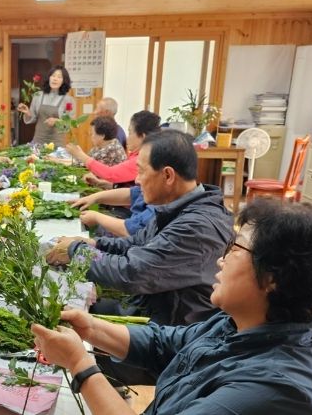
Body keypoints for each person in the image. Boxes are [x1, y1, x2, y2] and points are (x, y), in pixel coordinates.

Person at [33, 199, 312, 414]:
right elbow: (165, 344)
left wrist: (80, 365)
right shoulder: (241, 323)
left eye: (235, 249)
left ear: (272, 277)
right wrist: (90, 328)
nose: (221, 260)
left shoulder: (275, 390)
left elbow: (133, 271)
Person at [48, 130, 234, 327]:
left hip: (169, 331)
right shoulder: (177, 207)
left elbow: (132, 272)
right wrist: (93, 244)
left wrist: (75, 251)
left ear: (168, 175)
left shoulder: (196, 227)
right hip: (150, 308)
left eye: (141, 171)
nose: (137, 180)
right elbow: (136, 243)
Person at [66, 110, 160, 187]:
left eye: (130, 132)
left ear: (142, 137)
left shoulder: (143, 159)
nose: (127, 138)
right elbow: (130, 188)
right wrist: (102, 183)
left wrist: (80, 155)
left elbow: (110, 174)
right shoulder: (138, 154)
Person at [17, 65, 76, 146]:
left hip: (57, 144)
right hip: (38, 142)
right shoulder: (38, 95)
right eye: (53, 76)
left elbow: (70, 124)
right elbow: (32, 118)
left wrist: (57, 121)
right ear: (49, 78)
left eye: (59, 77)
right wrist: (27, 113)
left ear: (64, 81)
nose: (55, 79)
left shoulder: (68, 100)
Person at [71, 186, 154, 238]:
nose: (136, 180)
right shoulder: (150, 190)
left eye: (142, 171)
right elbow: (132, 194)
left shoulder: (157, 210)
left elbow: (130, 230)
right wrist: (93, 198)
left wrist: (96, 218)